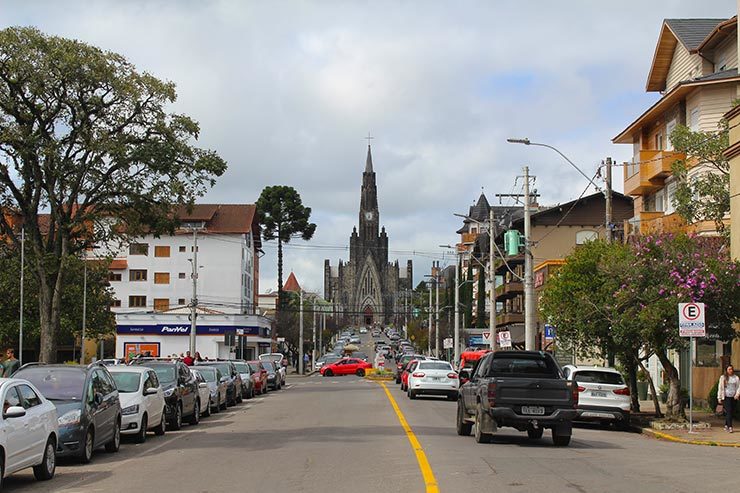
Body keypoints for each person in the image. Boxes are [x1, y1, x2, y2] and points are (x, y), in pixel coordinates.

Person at [717, 365, 740, 432]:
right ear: (726, 370)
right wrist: (719, 397)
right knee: (729, 411)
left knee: (731, 412)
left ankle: (726, 425)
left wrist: (737, 394)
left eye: (731, 369)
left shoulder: (736, 378)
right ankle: (730, 427)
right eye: (729, 369)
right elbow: (720, 388)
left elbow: (738, 387)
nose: (731, 370)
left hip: (733, 397)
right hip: (726, 397)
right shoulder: (723, 377)